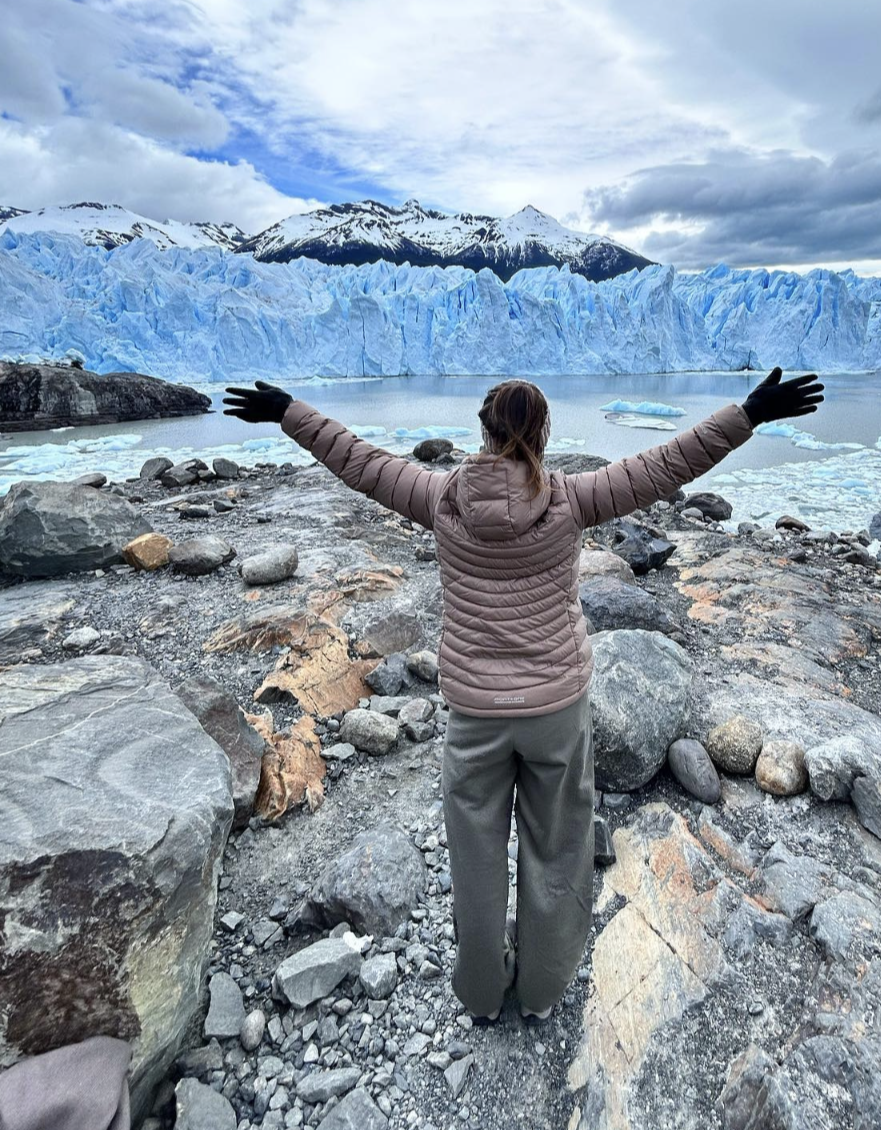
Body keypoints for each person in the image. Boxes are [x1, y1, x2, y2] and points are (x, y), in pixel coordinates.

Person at [222, 368, 823, 1024]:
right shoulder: (572, 498)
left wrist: (287, 411)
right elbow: (666, 463)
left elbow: (358, 461)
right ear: (541, 433)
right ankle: (539, 991)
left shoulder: (439, 495)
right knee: (559, 852)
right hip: (555, 713)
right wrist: (748, 414)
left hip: (476, 714)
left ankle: (481, 994)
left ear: (484, 430)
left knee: (476, 861)